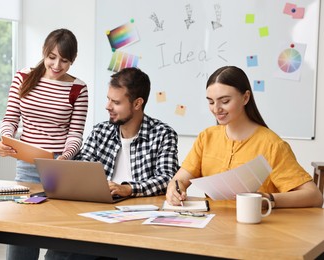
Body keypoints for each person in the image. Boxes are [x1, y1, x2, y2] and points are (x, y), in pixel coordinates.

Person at [44, 67, 179, 259]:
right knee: (58, 253)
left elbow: (167, 179)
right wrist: (64, 167)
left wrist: (128, 189)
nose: (108, 106)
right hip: (99, 217)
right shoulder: (101, 131)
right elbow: (82, 167)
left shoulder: (163, 134)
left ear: (137, 103)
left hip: (142, 221)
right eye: (108, 99)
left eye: (116, 102)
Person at [166, 65, 323, 209]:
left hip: (257, 229)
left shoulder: (271, 145)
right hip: (213, 227)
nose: (216, 109)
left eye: (225, 101)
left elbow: (314, 196)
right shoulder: (206, 137)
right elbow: (179, 180)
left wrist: (267, 199)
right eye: (211, 102)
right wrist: (174, 189)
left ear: (245, 98)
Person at [0, 28, 88, 260]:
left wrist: (66, 157)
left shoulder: (78, 89)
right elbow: (10, 119)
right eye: (52, 57)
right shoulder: (23, 78)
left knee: (56, 225)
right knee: (22, 228)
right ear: (44, 53)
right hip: (27, 164)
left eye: (64, 60)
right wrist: (6, 140)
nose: (57, 65)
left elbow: (75, 134)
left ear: (73, 60)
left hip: (59, 165)